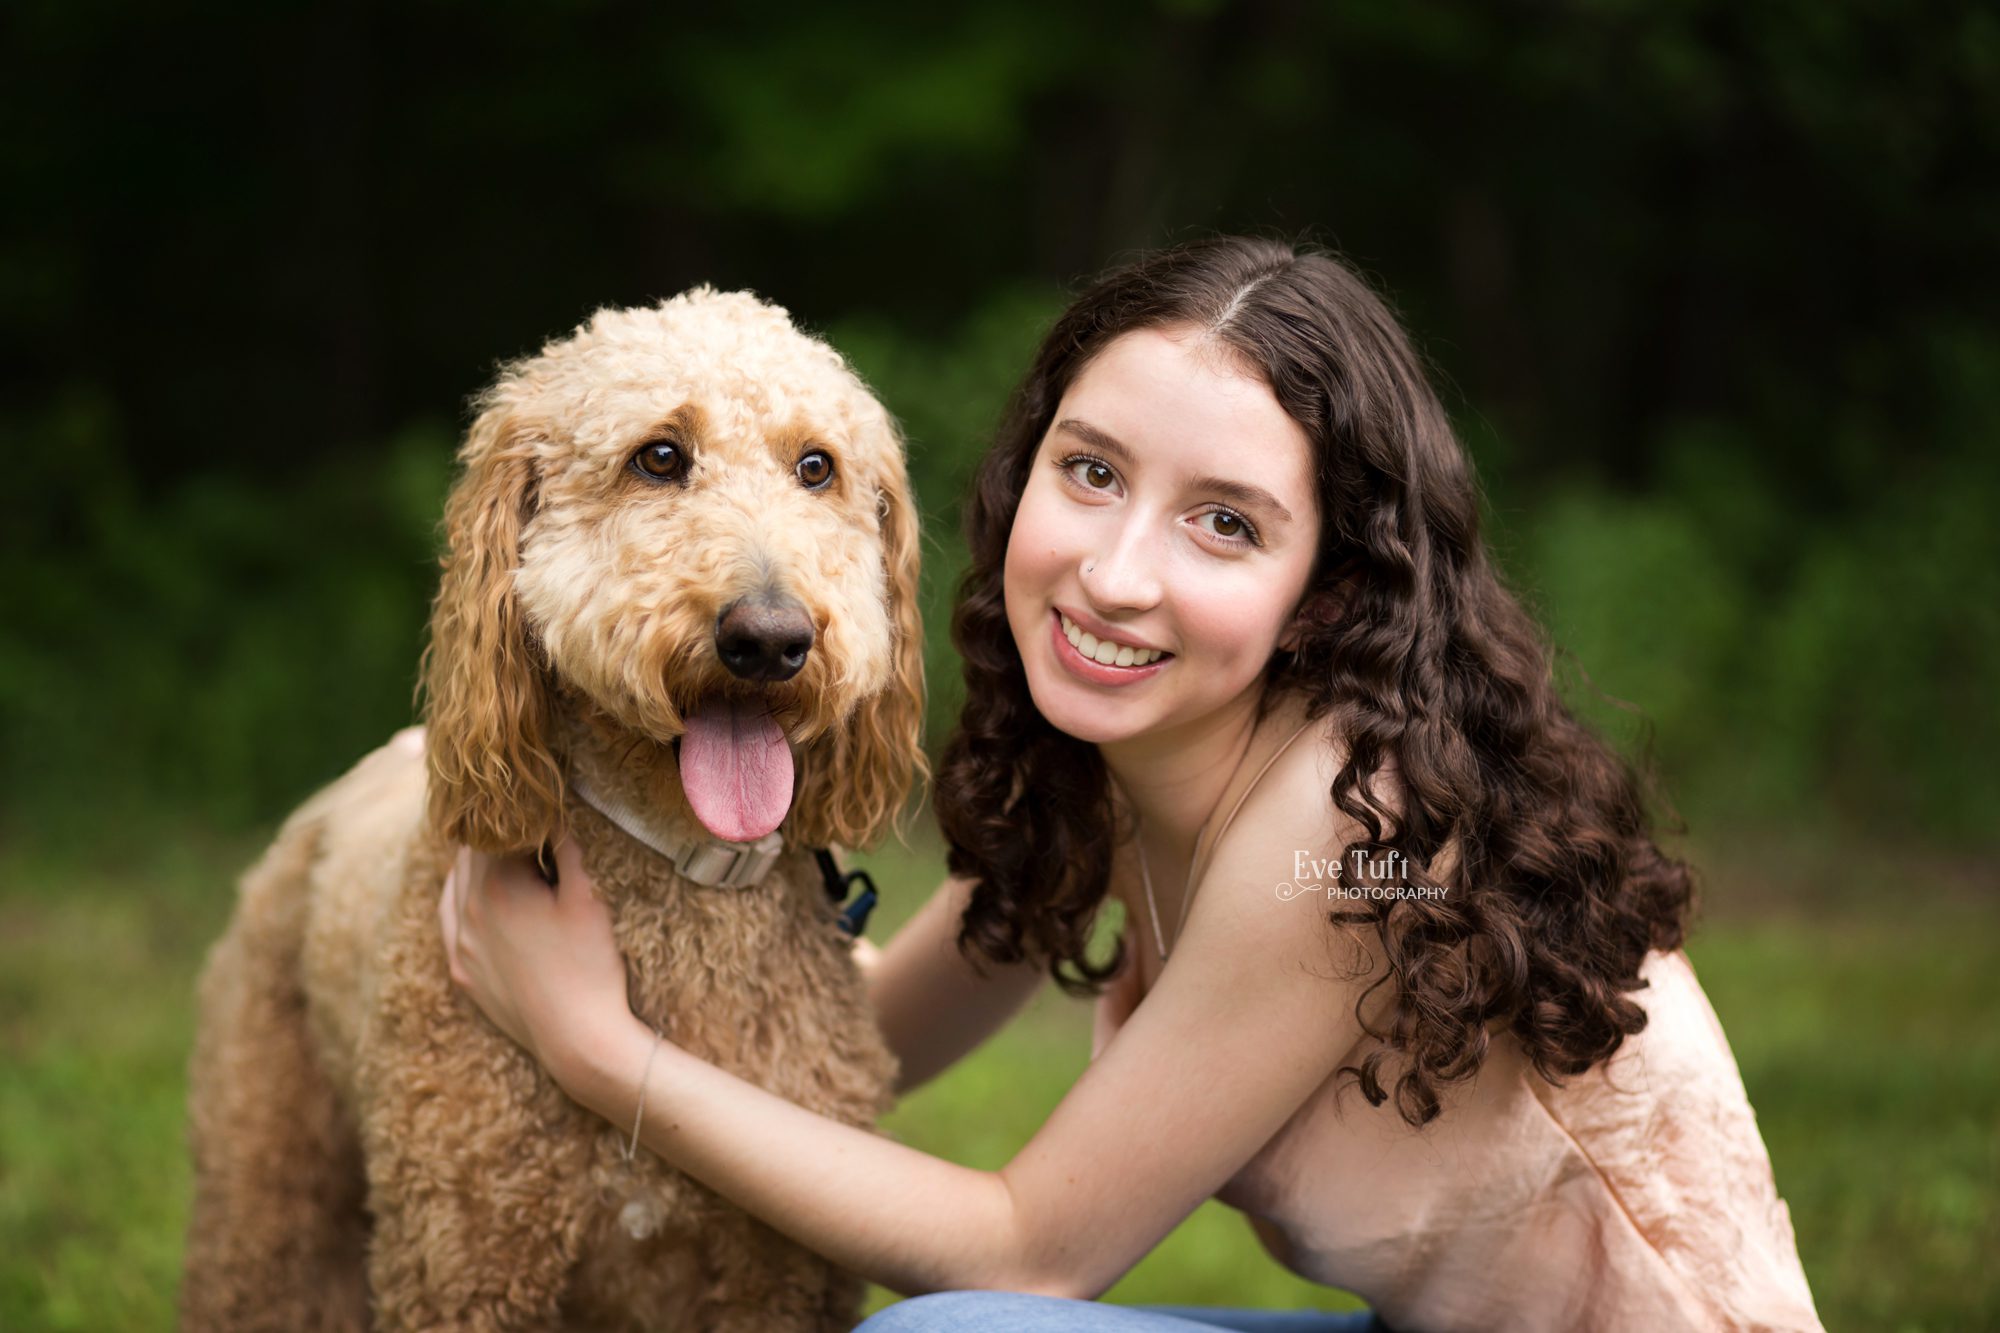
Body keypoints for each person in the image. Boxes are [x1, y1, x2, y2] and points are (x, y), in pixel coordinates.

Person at [436, 236, 1824, 1332]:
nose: (1115, 572)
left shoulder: (1353, 831)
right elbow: (865, 1052)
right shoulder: (1121, 769)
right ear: (1024, 467)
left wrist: (602, 1051)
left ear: (1331, 581)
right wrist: (638, 919)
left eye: (1226, 523)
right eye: (1091, 472)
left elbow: (1030, 1251)